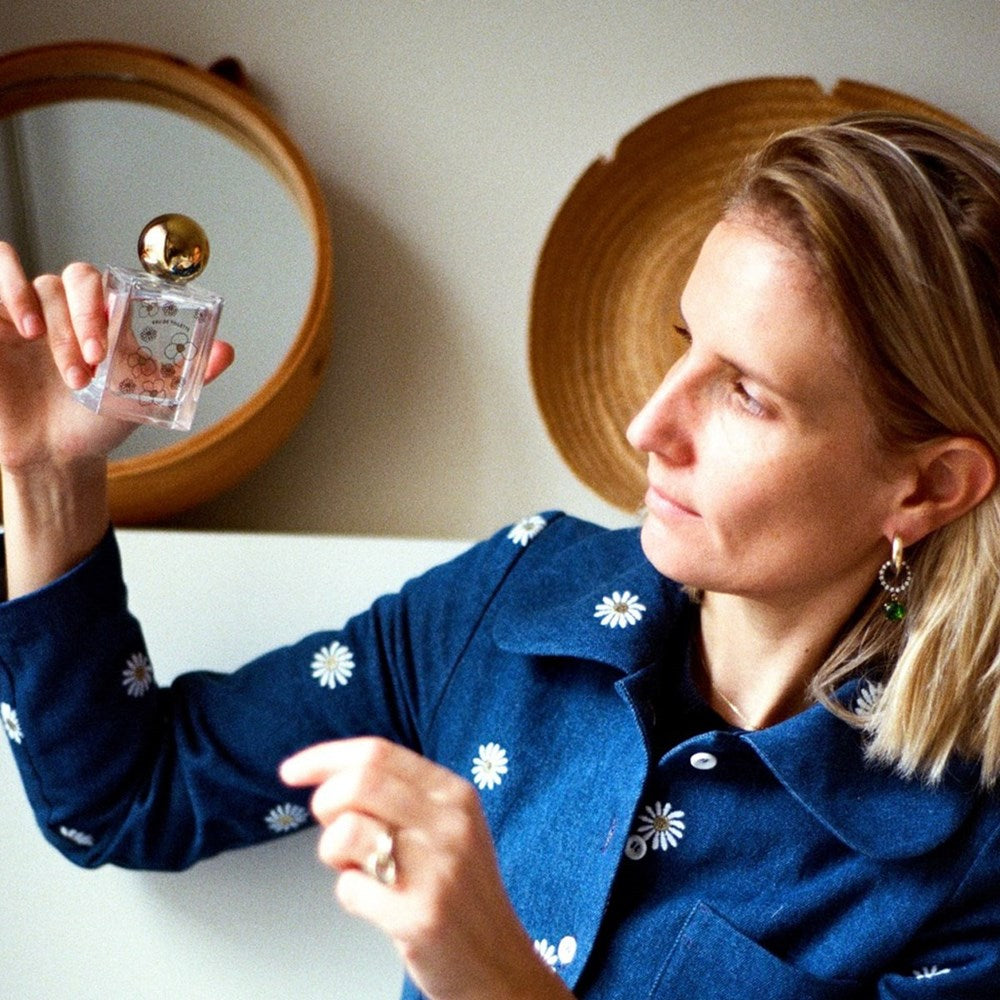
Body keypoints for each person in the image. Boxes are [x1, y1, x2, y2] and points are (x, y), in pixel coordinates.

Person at [1, 110, 999, 1000]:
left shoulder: (969, 850)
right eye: (683, 340)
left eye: (744, 391)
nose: (649, 422)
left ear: (927, 486)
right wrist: (47, 470)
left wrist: (496, 983)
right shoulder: (521, 592)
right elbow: (127, 799)